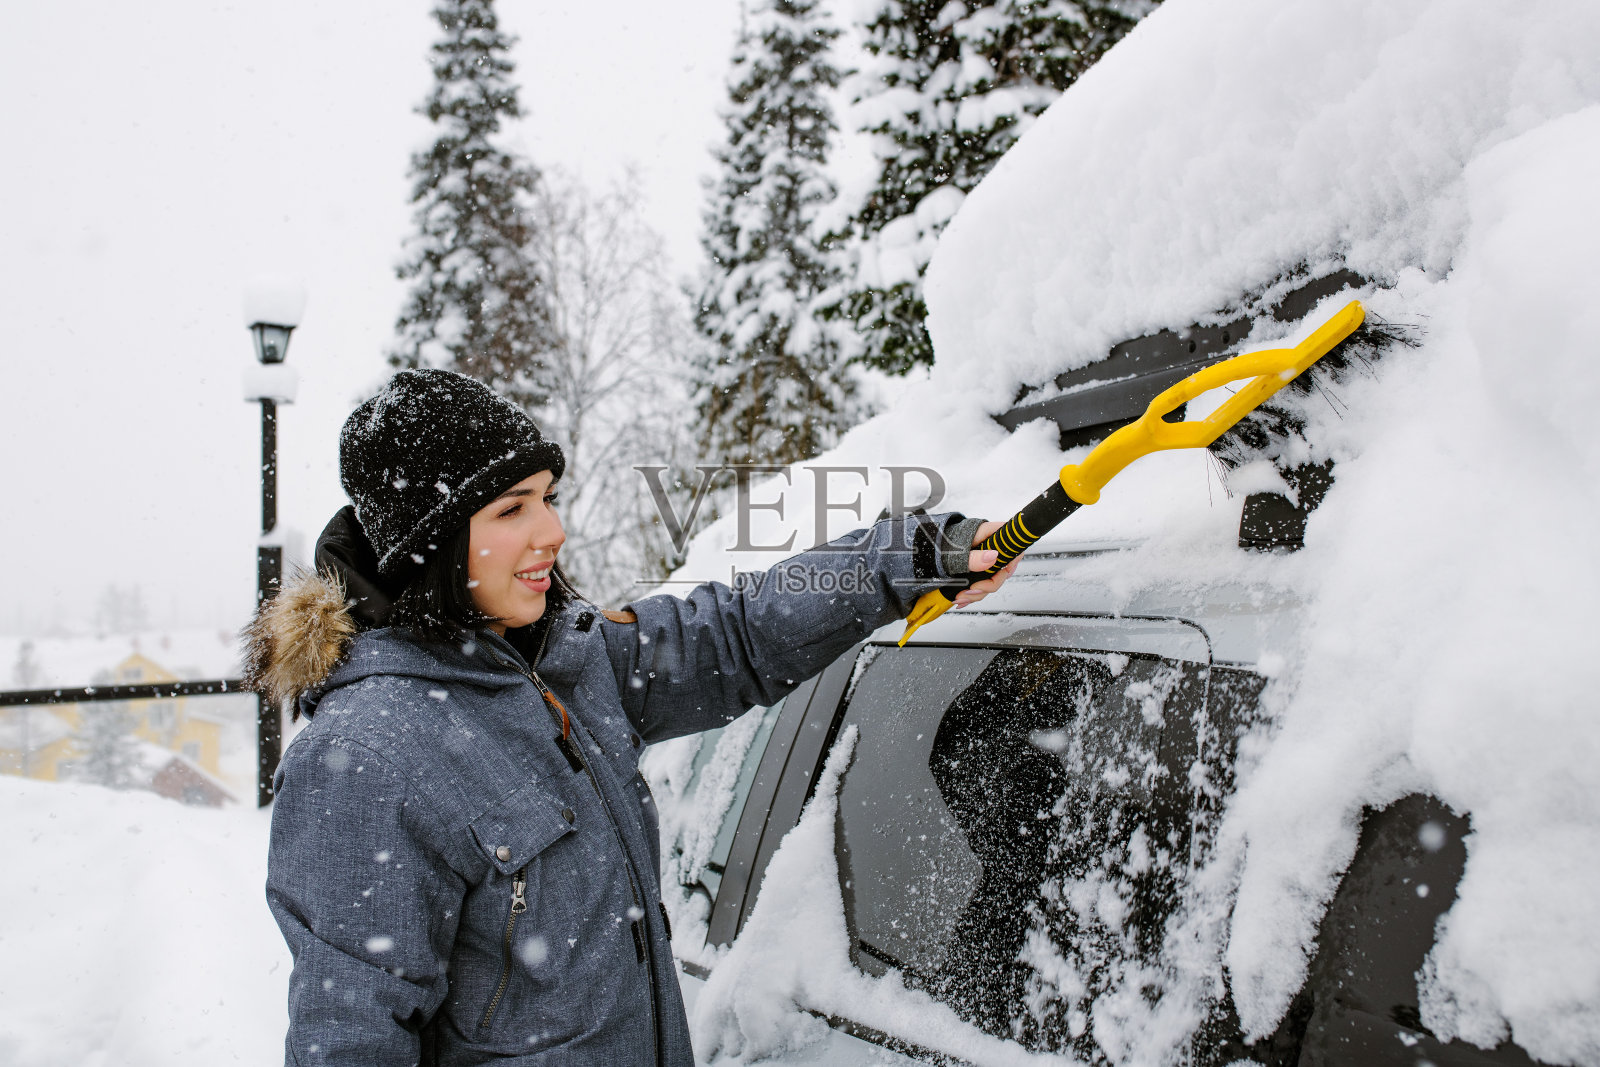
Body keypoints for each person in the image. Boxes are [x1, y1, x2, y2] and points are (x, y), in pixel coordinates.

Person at [249, 368, 1017, 1065]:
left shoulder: (565, 660)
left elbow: (738, 631)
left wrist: (911, 554)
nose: (551, 531)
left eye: (547, 497)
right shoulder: (363, 759)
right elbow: (350, 1044)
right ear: (431, 544)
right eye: (513, 509)